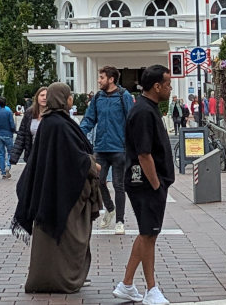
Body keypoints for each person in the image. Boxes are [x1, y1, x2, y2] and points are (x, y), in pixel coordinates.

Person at [12, 82, 103, 294]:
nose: (71, 98)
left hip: (54, 188)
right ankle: (63, 278)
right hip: (63, 191)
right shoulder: (58, 124)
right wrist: (92, 164)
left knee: (60, 239)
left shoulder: (54, 122)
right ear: (63, 99)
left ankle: (59, 276)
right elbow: (72, 156)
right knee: (69, 237)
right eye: (69, 95)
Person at [114, 65, 175, 305]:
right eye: (168, 84)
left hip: (146, 182)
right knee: (149, 234)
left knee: (147, 233)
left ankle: (127, 284)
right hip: (145, 183)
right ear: (157, 86)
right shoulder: (143, 112)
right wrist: (157, 185)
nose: (170, 88)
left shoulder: (147, 109)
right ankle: (151, 289)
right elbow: (144, 154)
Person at [80, 65, 134, 235]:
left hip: (119, 148)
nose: (99, 80)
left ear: (111, 79)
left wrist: (132, 145)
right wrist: (77, 135)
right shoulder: (98, 97)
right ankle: (109, 209)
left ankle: (120, 221)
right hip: (101, 148)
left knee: (119, 185)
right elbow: (89, 119)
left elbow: (131, 121)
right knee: (98, 181)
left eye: (102, 77)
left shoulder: (123, 96)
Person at [11, 87, 47, 166]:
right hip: (32, 155)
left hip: (48, 156)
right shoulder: (29, 113)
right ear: (37, 97)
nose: (44, 98)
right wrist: (14, 157)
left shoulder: (54, 114)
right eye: (42, 95)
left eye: (47, 96)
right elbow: (21, 135)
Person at [0, 97, 17, 179]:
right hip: (8, 134)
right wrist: (14, 130)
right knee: (10, 152)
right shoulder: (8, 112)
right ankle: (8, 165)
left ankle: (3, 171)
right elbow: (12, 124)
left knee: (1, 153)